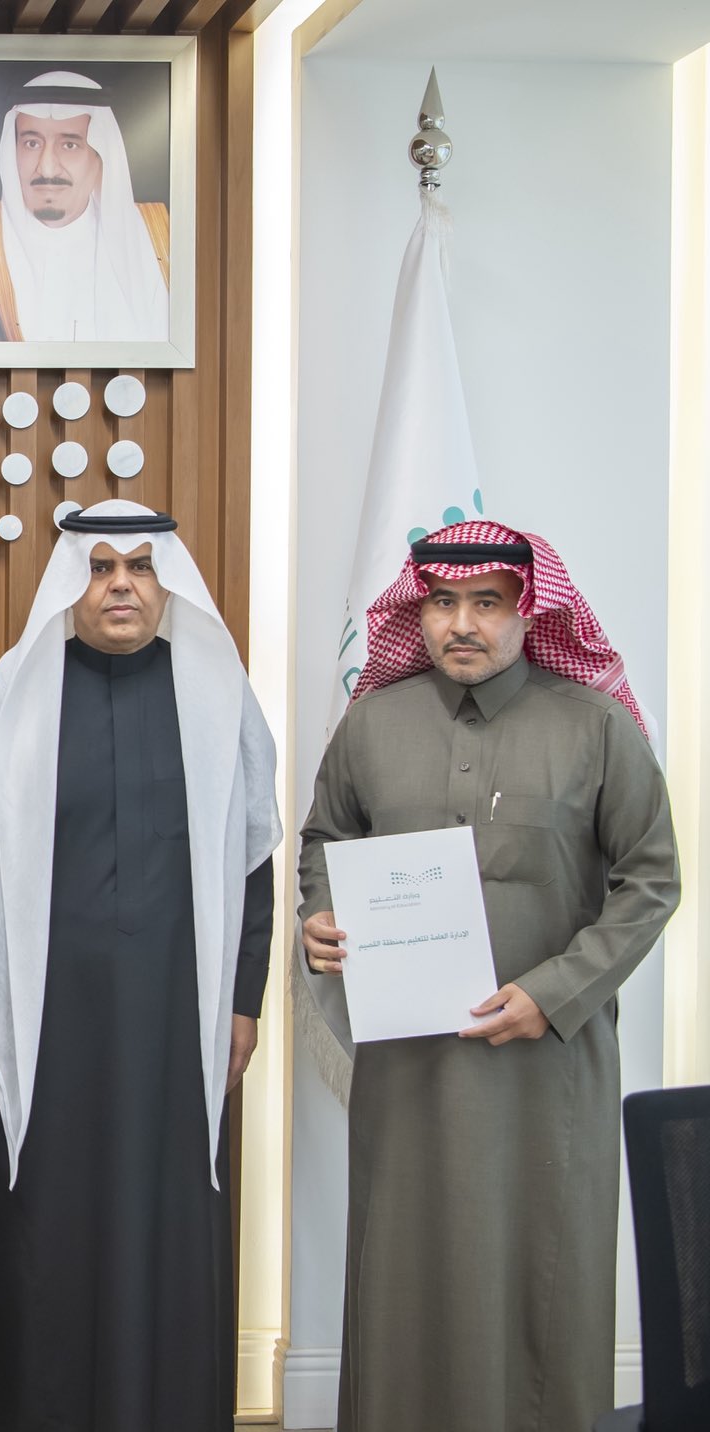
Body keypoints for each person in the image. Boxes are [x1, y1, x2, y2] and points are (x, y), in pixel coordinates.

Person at [298, 520, 678, 1432]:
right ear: (418, 610)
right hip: (409, 1071)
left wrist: (553, 994)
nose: (461, 624)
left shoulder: (595, 726)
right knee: (402, 1273)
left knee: (542, 1278)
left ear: (531, 611)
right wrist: (320, 914)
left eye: (487, 603)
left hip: (546, 1073)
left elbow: (651, 879)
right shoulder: (371, 725)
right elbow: (325, 842)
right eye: (441, 602)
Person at [0, 500, 280, 1431]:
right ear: (71, 582)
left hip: (179, 1015)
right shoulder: (20, 688)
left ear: (167, 583)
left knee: (169, 1220)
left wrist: (244, 1002)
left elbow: (254, 863)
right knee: (46, 1226)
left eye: (139, 566)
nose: (120, 585)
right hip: (40, 1017)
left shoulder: (219, 693)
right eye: (98, 567)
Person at [0, 70, 170, 344]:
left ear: (100, 156)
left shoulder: (159, 236)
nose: (47, 167)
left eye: (69, 145)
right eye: (32, 143)